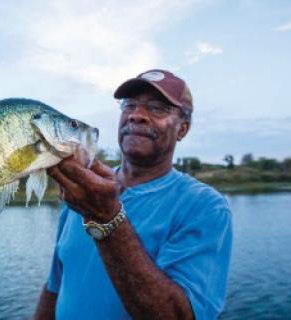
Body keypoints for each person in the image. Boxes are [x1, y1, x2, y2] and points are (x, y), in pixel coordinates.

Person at [33, 69, 233, 320]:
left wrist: (106, 217)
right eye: (129, 105)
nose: (137, 115)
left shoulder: (205, 207)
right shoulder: (82, 192)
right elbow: (55, 285)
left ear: (182, 128)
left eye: (157, 108)